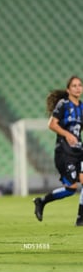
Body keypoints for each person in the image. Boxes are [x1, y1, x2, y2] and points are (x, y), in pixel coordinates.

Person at [34, 76, 83, 226]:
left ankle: (81, 218)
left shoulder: (82, 107)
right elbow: (52, 124)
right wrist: (67, 134)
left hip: (79, 151)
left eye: (80, 85)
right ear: (68, 90)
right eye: (74, 86)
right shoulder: (63, 104)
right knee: (71, 189)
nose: (77, 88)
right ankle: (42, 201)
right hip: (64, 152)